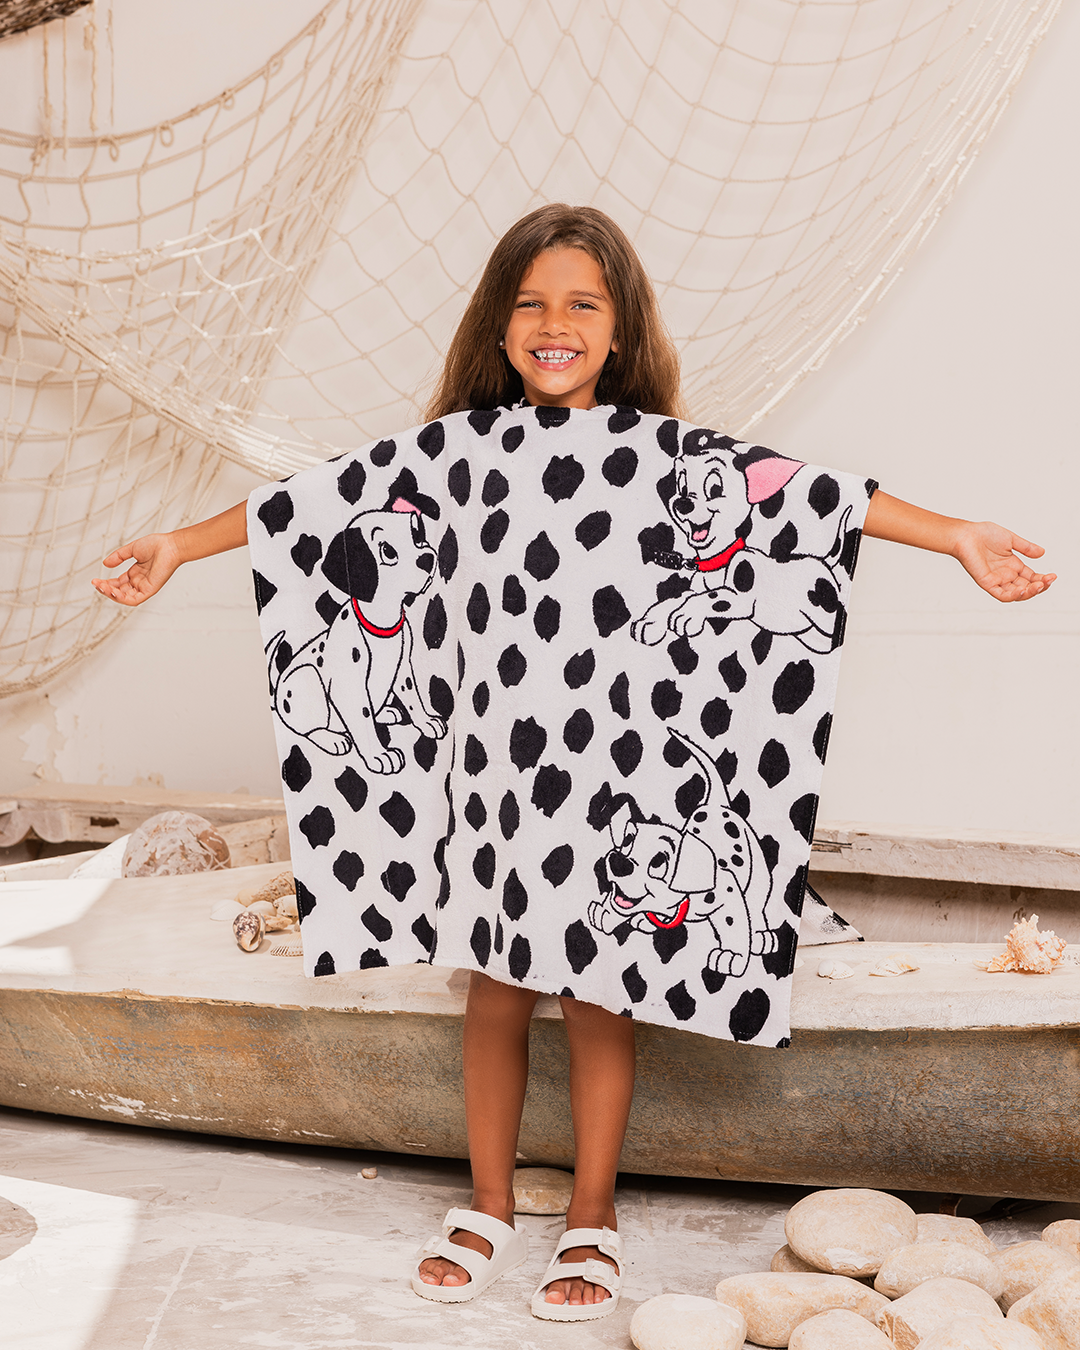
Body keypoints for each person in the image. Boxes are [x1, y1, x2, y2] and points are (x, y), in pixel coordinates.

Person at [93, 205, 1054, 1321]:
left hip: (618, 779)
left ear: (619, 327)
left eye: (582, 304)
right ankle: (489, 1203)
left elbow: (816, 495)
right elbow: (304, 506)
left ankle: (593, 1211)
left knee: (603, 997)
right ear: (500, 327)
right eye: (532, 304)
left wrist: (956, 535)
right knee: (496, 988)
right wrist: (176, 547)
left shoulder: (662, 457)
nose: (556, 324)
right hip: (494, 787)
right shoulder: (453, 455)